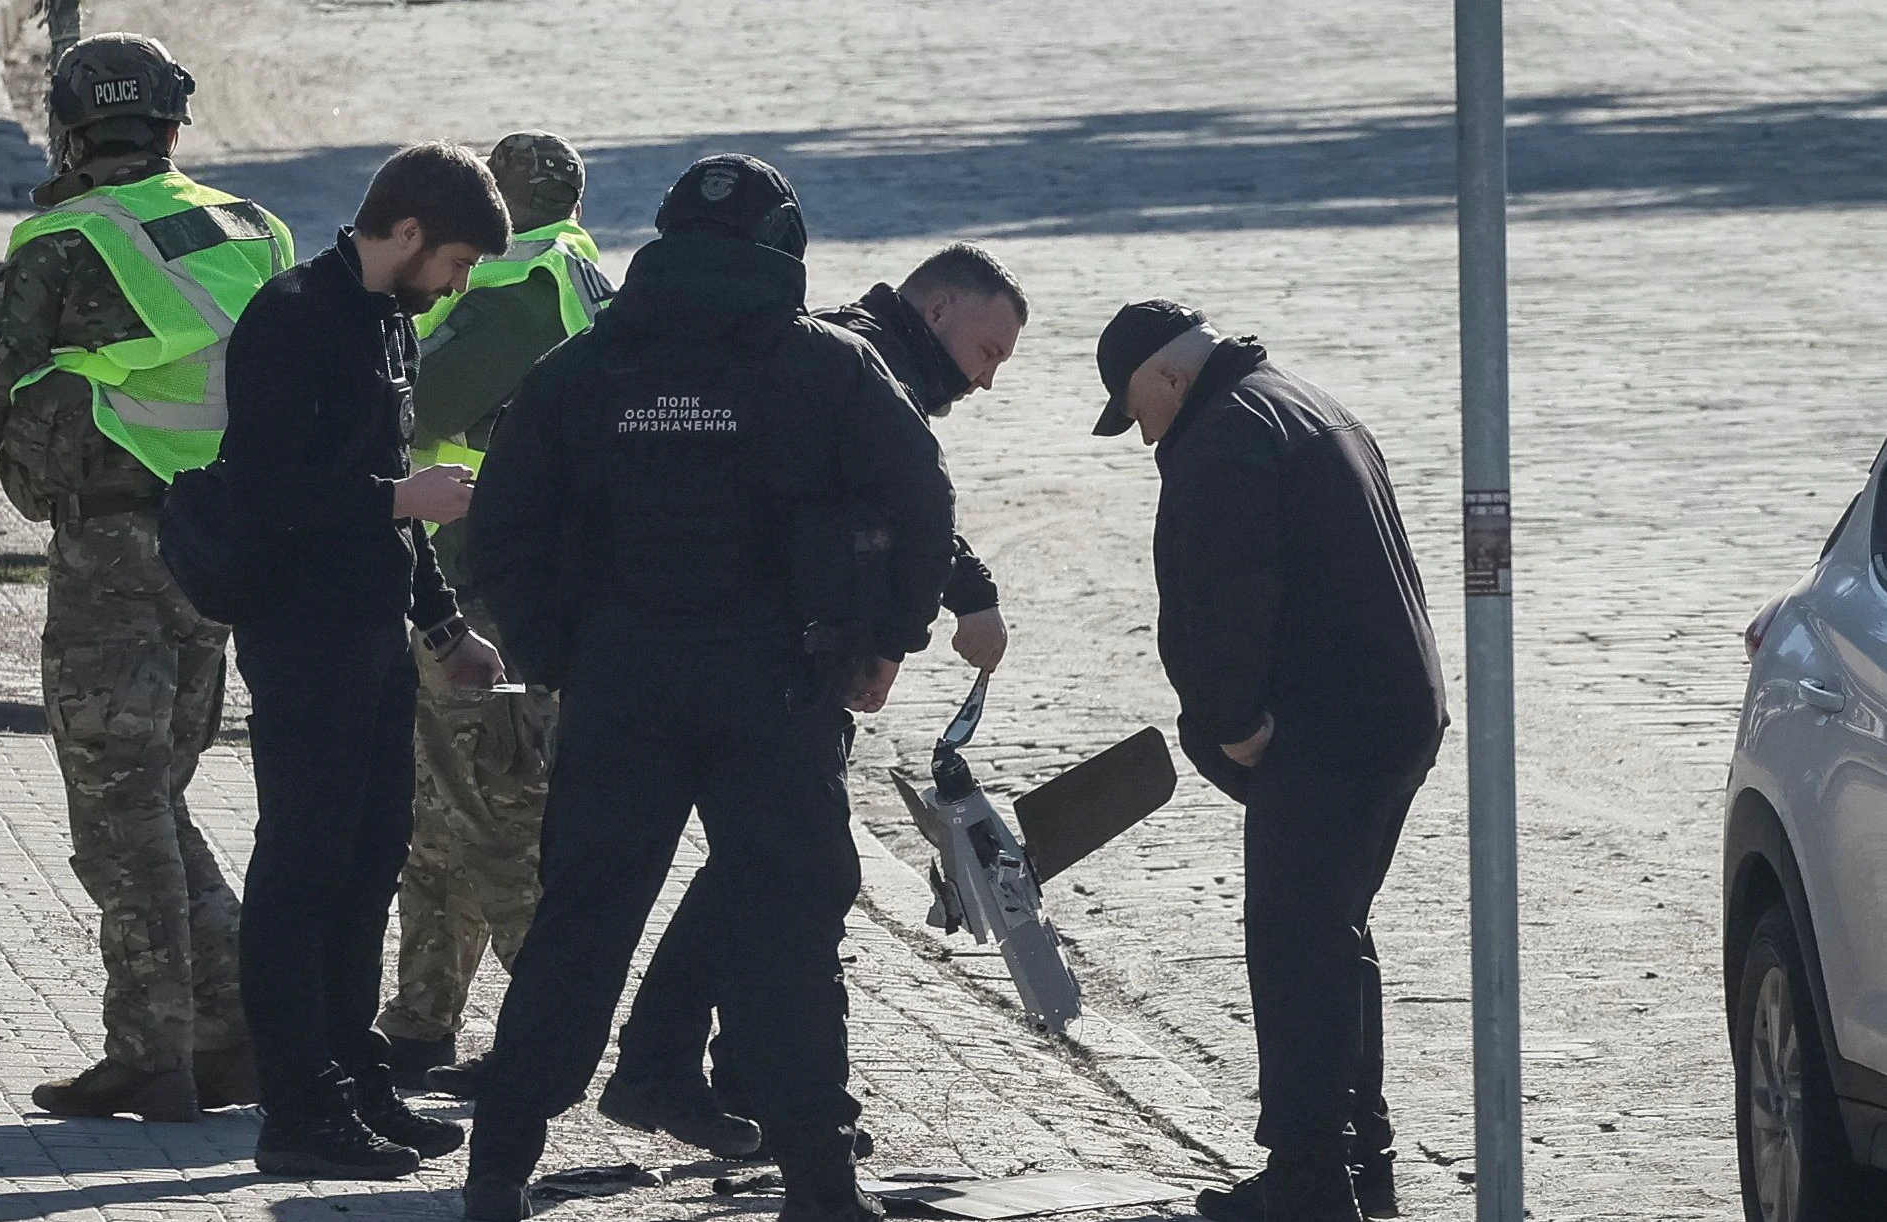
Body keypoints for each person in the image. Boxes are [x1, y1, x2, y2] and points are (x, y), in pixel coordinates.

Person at [432, 241, 1029, 1151]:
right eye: (989, 353)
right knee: (786, 878)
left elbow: (517, 511)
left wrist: (559, 652)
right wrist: (939, 613)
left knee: (702, 886)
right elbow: (903, 506)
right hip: (772, 674)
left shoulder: (782, 354)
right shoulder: (843, 359)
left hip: (644, 673)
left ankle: (638, 1088)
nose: (987, 382)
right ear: (941, 310)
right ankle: (738, 1101)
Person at [0, 31, 292, 1122]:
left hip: (110, 550)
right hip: (222, 548)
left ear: (72, 131)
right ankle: (234, 1033)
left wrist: (66, 382)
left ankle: (152, 1052)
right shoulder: (255, 226)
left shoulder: (65, 239)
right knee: (156, 792)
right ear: (176, 124)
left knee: (113, 804)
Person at [1090, 300, 1447, 1222]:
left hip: (1325, 728)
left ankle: (1308, 1179)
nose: (1143, 437)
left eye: (1138, 413)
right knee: (1333, 931)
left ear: (1168, 379)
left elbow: (1231, 596)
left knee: (1295, 945)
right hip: (1389, 713)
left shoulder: (1224, 440)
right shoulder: (1300, 403)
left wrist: (1234, 721)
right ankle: (1360, 1151)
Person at [217, 141, 510, 1179]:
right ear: (409, 233)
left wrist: (444, 628)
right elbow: (264, 495)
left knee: (369, 865)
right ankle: (296, 1105)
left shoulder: (391, 319)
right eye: (460, 262)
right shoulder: (292, 316)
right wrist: (397, 499)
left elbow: (394, 503)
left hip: (374, 638)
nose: (460, 285)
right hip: (300, 634)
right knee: (302, 869)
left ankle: (354, 1075)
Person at [376, 131, 613, 1086]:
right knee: (437, 822)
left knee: (496, 816)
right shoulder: (583, 271)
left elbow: (426, 409)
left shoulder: (519, 282)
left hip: (490, 583)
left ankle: (555, 1041)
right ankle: (422, 1022)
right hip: (493, 575)